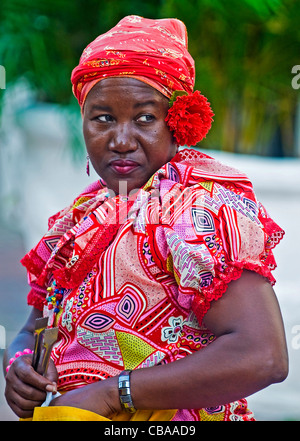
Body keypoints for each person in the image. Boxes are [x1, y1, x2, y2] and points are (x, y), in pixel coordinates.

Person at [3, 15, 288, 422]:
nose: (120, 140)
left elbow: (263, 356)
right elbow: (35, 324)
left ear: (178, 122)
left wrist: (113, 394)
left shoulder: (197, 209)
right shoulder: (83, 215)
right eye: (102, 118)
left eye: (144, 118)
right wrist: (20, 364)